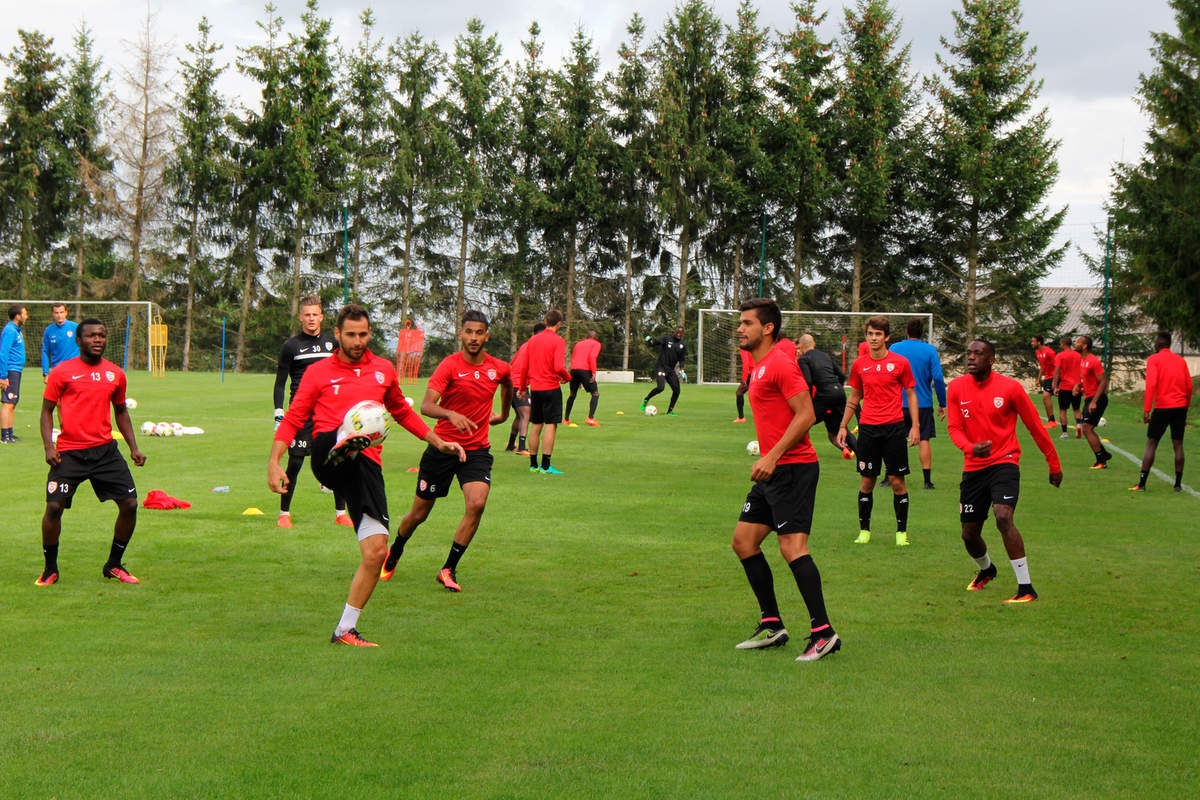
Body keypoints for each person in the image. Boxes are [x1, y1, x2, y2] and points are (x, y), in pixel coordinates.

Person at [269, 304, 465, 647]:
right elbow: (294, 417)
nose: (357, 341)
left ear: (369, 333)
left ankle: (345, 629)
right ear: (338, 336)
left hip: (366, 468)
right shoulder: (319, 373)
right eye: (350, 335)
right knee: (339, 436)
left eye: (363, 334)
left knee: (376, 552)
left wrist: (437, 440)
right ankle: (346, 440)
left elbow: (402, 411)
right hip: (328, 455)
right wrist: (275, 460)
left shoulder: (383, 370)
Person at [730, 298, 840, 662]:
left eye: (747, 323)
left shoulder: (779, 362)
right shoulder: (760, 365)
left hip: (792, 467)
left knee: (793, 548)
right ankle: (772, 624)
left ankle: (823, 632)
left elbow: (806, 414)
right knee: (744, 542)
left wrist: (771, 456)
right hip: (772, 471)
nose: (740, 328)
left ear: (768, 328)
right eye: (740, 322)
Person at [380, 311, 512, 592]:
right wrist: (451, 414)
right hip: (443, 448)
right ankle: (395, 551)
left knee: (477, 504)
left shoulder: (498, 367)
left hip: (476, 450)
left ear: (486, 336)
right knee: (418, 514)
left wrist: (502, 414)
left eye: (479, 333)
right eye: (469, 332)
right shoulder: (449, 366)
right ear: (461, 334)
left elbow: (508, 384)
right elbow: (426, 406)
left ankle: (448, 568)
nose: (474, 337)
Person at [946, 339, 1062, 603]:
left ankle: (1026, 588)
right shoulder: (956, 387)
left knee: (1002, 517)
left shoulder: (1010, 388)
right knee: (969, 534)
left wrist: (1053, 464)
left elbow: (1035, 426)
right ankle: (987, 569)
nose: (971, 358)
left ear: (991, 360)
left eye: (978, 354)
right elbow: (953, 428)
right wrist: (971, 448)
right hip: (973, 468)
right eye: (969, 353)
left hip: (1005, 462)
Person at [38, 318, 146, 586]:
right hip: (70, 453)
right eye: (91, 336)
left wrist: (134, 447)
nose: (97, 340)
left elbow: (121, 411)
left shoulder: (115, 374)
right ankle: (50, 569)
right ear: (79, 340)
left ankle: (113, 564)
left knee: (130, 505)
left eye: (102, 335)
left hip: (105, 453)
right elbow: (46, 411)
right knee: (53, 508)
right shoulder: (62, 372)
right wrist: (49, 446)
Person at [836, 316, 919, 546]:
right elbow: (854, 396)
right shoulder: (859, 365)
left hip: (894, 428)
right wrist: (843, 426)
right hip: (868, 430)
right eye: (870, 334)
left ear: (887, 337)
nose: (874, 338)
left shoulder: (900, 363)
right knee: (867, 482)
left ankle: (901, 533)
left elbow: (911, 393)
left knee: (897, 481)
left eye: (878, 334)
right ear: (866, 336)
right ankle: (865, 531)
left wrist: (915, 425)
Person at [272, 296, 350, 528]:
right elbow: (280, 382)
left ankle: (340, 513)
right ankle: (284, 514)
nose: (311, 319)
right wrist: (279, 412)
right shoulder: (291, 346)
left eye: (315, 314)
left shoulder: (333, 343)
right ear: (300, 317)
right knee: (295, 463)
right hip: (301, 412)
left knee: (338, 460)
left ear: (322, 317)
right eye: (307, 314)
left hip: (329, 411)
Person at [510, 310, 571, 475]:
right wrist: (568, 378)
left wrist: (522, 388)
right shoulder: (558, 341)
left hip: (535, 389)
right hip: (551, 388)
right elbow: (558, 367)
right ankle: (545, 466)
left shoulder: (533, 340)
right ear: (559, 324)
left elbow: (524, 367)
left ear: (545, 321)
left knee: (536, 425)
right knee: (551, 425)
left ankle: (533, 465)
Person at [889, 317, 947, 490]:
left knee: (894, 440)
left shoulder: (894, 348)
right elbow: (937, 377)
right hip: (922, 403)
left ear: (906, 331)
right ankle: (927, 481)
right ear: (922, 333)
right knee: (924, 439)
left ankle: (888, 476)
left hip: (898, 403)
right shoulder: (930, 351)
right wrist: (942, 403)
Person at [1132, 331, 1193, 492]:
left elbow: (1151, 385)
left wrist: (1146, 410)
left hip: (1163, 407)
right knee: (1178, 444)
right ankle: (1178, 484)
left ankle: (1142, 483)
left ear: (1158, 344)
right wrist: (1185, 408)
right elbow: (1189, 386)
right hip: (1179, 407)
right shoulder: (1180, 360)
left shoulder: (1154, 359)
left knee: (1152, 443)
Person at [796, 334, 855, 459]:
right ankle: (864, 456)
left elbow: (808, 381)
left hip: (825, 396)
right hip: (839, 393)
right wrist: (836, 389)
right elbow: (842, 376)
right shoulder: (824, 355)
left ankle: (799, 453)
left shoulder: (803, 359)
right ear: (814, 344)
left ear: (801, 346)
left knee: (802, 422)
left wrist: (809, 401)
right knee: (838, 429)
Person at [504, 322, 544, 455]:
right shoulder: (536, 347)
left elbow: (513, 362)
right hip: (518, 384)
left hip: (511, 383)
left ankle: (510, 444)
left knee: (519, 415)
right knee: (526, 413)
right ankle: (521, 447)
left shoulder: (525, 345)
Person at [1074, 335, 1112, 469]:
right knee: (1087, 428)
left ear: (1084, 346)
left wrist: (1094, 401)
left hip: (1097, 398)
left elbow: (1103, 382)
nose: (1075, 343)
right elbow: (1090, 381)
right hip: (1090, 397)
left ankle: (1101, 460)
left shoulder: (1093, 361)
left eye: (1078, 342)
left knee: (1087, 428)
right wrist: (1079, 386)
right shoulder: (1082, 360)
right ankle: (1104, 454)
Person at [642, 326, 686, 416]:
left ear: (682, 334)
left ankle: (670, 411)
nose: (678, 334)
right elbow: (655, 342)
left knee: (677, 390)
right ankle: (647, 399)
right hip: (661, 367)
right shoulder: (667, 339)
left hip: (670, 370)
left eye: (680, 333)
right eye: (677, 332)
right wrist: (650, 341)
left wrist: (682, 370)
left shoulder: (683, 344)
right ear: (674, 332)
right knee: (661, 388)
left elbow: (682, 359)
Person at [1, 304, 29, 443]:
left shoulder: (16, 330)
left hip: (16, 370)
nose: (26, 316)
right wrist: (3, 376)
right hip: (10, 371)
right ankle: (5, 436)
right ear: (18, 316)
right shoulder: (10, 330)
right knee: (8, 402)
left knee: (12, 402)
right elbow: (3, 353)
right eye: (24, 313)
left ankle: (10, 433)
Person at [564, 330, 601, 427]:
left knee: (572, 394)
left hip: (574, 370)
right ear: (595, 337)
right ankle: (590, 418)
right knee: (595, 394)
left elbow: (574, 357)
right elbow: (592, 357)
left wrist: (577, 377)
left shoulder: (578, 344)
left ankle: (566, 419)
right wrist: (593, 372)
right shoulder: (596, 344)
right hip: (585, 370)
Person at [1052, 334, 1083, 439]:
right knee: (1077, 409)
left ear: (1063, 344)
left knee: (1063, 410)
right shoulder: (1078, 355)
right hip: (1077, 386)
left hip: (1065, 386)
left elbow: (1057, 371)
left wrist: (1055, 385)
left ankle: (1064, 433)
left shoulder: (1060, 356)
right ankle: (1078, 425)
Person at [41, 302, 80, 380]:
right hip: (57, 370)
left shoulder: (76, 327)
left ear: (66, 313)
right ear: (53, 314)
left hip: (74, 370)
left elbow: (85, 347)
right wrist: (46, 373)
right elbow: (45, 351)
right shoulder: (49, 330)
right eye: (56, 313)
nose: (59, 315)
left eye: (61, 312)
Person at [1031, 335, 1058, 425]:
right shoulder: (1037, 352)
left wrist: (1057, 380)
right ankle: (1051, 420)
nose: (1032, 343)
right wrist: (1038, 379)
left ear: (1039, 342)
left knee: (1046, 396)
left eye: (1033, 341)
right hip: (1047, 377)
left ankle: (1052, 420)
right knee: (1045, 398)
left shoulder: (1049, 352)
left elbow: (1057, 366)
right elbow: (1043, 366)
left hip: (1054, 377)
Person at [733, 347, 753, 423]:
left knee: (739, 392)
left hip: (751, 373)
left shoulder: (744, 348)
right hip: (759, 371)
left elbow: (746, 362)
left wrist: (744, 379)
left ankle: (741, 418)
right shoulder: (755, 344)